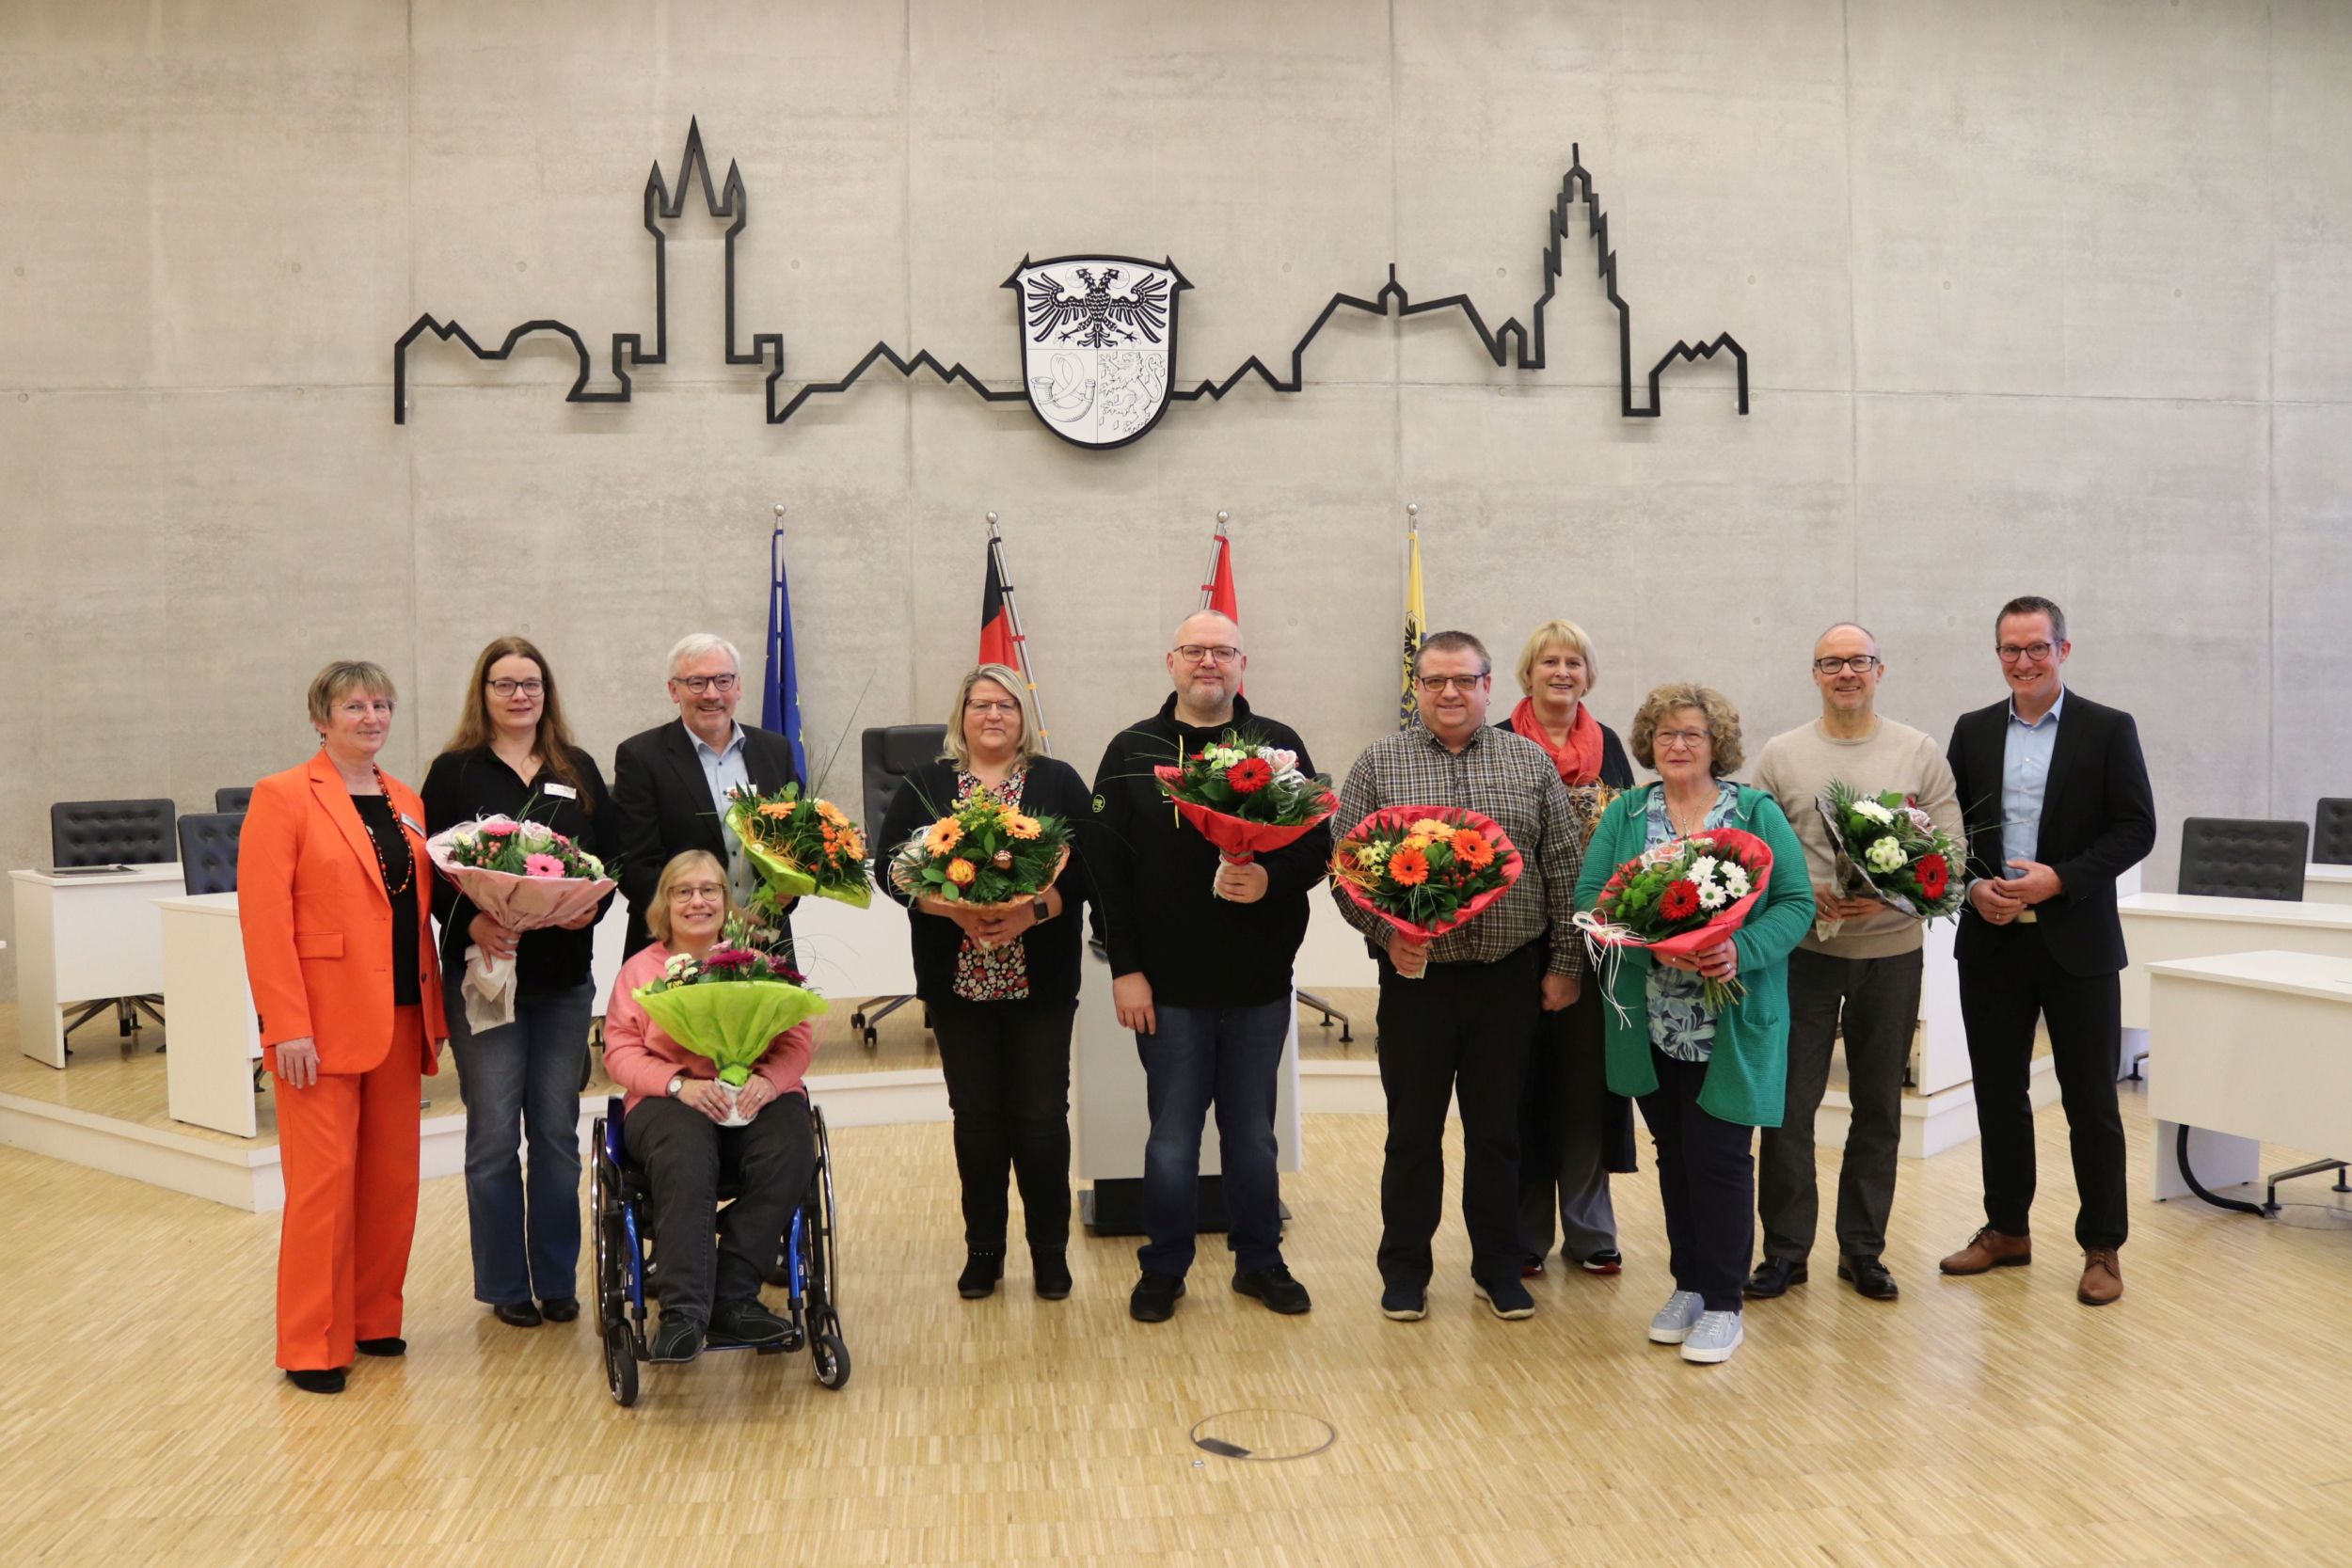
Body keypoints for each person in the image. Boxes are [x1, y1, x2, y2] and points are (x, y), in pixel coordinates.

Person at [1332, 630, 1586, 1324]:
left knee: (1499, 1133)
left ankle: (1499, 1266)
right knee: (1411, 1132)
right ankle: (1406, 1269)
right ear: (1417, 688)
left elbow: (1564, 870)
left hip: (1508, 980)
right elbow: (1346, 872)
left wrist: (1564, 966)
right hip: (1415, 983)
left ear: (1489, 685)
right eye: (1435, 680)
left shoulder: (1529, 762)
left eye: (1463, 680)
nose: (1449, 692)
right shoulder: (1378, 763)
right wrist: (1389, 935)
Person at [1087, 610, 1330, 1323]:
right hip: (1166, 988)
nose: (1208, 663)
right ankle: (1163, 1267)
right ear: (1171, 661)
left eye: (1222, 651)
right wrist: (1123, 968)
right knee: (1171, 1136)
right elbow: (1104, 868)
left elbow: (1318, 846)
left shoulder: (1278, 746)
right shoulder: (1132, 749)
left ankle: (1260, 1261)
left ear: (1241, 663)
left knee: (1253, 1134)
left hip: (1257, 983)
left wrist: (1271, 879)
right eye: (1195, 650)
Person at [1575, 684, 1813, 1365]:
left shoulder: (1754, 811)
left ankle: (1725, 1301)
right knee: (1675, 1156)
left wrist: (1740, 947)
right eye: (1665, 734)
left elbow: (1794, 902)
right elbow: (1592, 897)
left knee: (1720, 1159)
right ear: (1648, 742)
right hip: (1649, 1021)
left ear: (1717, 746)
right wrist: (1644, 929)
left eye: (1692, 735)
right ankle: (1688, 1283)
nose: (1677, 746)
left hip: (1729, 1019)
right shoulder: (1627, 812)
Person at [238, 660, 448, 1394]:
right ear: (321, 718)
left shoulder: (406, 798)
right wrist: (285, 1023)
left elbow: (414, 907)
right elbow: (265, 922)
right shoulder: (284, 795)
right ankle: (310, 1342)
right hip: (318, 1027)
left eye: (383, 703)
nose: (371, 717)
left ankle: (371, 1315)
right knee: (323, 1186)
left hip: (400, 1011)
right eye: (354, 705)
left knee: (391, 1180)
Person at [1940, 596, 2154, 1307]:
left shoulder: (2107, 728)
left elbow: (2135, 829)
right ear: (1997, 653)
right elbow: (1950, 834)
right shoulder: (1971, 731)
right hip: (1993, 941)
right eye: (2010, 649)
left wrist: (2060, 879)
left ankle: (2102, 1246)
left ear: (2064, 648)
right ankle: (2007, 1229)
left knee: (2092, 1101)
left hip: (2079, 942)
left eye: (2037, 647)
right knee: (1999, 1095)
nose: (2023, 661)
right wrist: (1974, 890)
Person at [1747, 625, 1963, 1304]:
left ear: (1880, 669)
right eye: (1833, 662)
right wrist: (1794, 891)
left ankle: (1862, 1249)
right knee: (1788, 1108)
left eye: (1859, 661)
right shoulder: (1782, 755)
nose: (1847, 672)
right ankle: (1785, 1251)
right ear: (1814, 672)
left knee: (1878, 1108)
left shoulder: (1918, 751)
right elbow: (1746, 853)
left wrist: (1899, 893)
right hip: (1803, 955)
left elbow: (1953, 851)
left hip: (1892, 955)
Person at [873, 664, 1093, 1302]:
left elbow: (1088, 872)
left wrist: (1032, 910)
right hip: (958, 981)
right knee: (977, 1121)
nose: (993, 715)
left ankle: (1049, 1254)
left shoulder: (1056, 782)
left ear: (1023, 718)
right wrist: (956, 911)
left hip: (1041, 982)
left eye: (1006, 705)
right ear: (960, 715)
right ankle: (984, 1252)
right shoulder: (926, 784)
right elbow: (893, 873)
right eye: (980, 704)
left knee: (1042, 1119)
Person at [421, 635, 617, 1330]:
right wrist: (470, 923)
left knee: (559, 1135)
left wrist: (587, 907)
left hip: (563, 979)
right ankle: (506, 1283)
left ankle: (557, 1278)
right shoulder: (454, 771)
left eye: (530, 683)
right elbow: (431, 874)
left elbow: (609, 860)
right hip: (486, 977)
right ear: (484, 693)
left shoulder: (577, 767)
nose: (519, 695)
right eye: (504, 684)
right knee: (495, 1133)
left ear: (547, 691)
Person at [601, 850, 818, 1362]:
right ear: (665, 904)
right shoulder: (641, 971)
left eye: (710, 890)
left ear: (727, 901)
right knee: (686, 1152)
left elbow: (797, 1038)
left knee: (790, 1144)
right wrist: (678, 1085)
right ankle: (683, 1312)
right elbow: (621, 1051)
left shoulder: (757, 961)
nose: (697, 901)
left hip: (753, 1096)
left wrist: (770, 1080)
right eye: (683, 891)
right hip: (670, 1100)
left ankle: (734, 1295)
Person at [1499, 619, 1637, 1282]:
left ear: (1588, 674)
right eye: (1549, 661)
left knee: (1587, 1090)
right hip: (1517, 941)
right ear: (1527, 673)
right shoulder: (1497, 743)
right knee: (1523, 1087)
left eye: (1573, 662)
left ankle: (1589, 1228)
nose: (1561, 672)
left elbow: (1635, 831)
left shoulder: (1609, 743)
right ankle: (1524, 1231)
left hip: (1596, 943)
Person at [612, 633, 802, 958]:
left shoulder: (775, 750)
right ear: (674, 690)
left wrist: (790, 891)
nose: (712, 694)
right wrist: (714, 920)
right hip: (674, 947)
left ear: (738, 686)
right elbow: (635, 865)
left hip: (764, 938)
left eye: (723, 681)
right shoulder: (641, 757)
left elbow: (793, 842)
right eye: (696, 682)